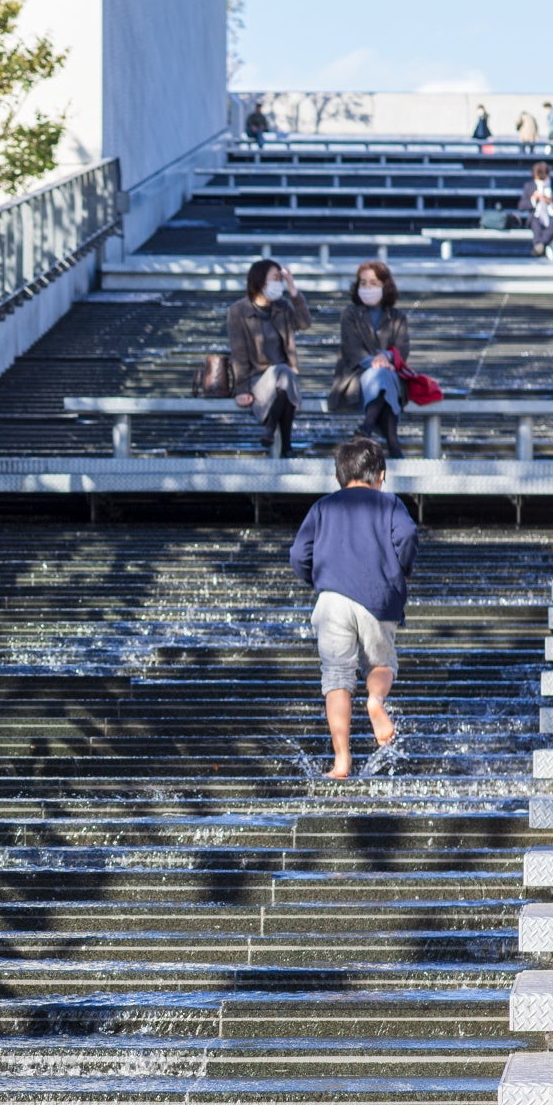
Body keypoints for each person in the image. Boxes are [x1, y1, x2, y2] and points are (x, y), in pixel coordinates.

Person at [289, 434, 418, 781]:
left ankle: (342, 761)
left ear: (339, 476)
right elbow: (406, 537)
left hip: (331, 600)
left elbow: (299, 555)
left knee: (336, 679)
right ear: (381, 475)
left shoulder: (323, 507)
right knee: (380, 663)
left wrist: (319, 577)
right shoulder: (390, 503)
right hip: (377, 596)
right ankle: (375, 701)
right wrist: (398, 570)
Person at [228, 257, 311, 457]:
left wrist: (293, 291)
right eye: (276, 278)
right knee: (284, 374)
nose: (279, 283)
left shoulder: (282, 306)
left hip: (283, 377)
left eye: (281, 279)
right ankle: (287, 446)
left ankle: (270, 429)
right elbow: (238, 353)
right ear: (260, 280)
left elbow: (304, 322)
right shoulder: (238, 311)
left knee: (284, 376)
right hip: (257, 380)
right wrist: (241, 389)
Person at [327, 260, 410, 454]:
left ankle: (367, 427)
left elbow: (403, 348)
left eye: (373, 283)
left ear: (384, 286)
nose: (367, 287)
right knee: (380, 375)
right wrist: (375, 362)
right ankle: (391, 440)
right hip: (356, 376)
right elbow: (352, 348)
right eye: (363, 283)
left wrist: (386, 357)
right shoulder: (350, 314)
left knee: (383, 376)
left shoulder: (398, 317)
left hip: (390, 376)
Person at [518, 159, 553, 257]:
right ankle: (540, 246)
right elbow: (521, 206)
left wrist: (551, 201)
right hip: (537, 216)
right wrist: (533, 200)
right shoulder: (529, 186)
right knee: (535, 224)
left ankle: (539, 245)